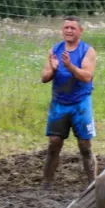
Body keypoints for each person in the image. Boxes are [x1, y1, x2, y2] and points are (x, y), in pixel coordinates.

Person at [40, 16, 98, 190]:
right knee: (54, 143)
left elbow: (87, 77)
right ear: (62, 30)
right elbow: (44, 78)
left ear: (80, 31)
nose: (69, 31)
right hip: (59, 103)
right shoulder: (54, 50)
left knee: (85, 145)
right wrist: (54, 69)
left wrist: (70, 66)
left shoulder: (87, 51)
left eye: (73, 28)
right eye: (66, 28)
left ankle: (93, 185)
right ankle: (46, 184)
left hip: (80, 103)